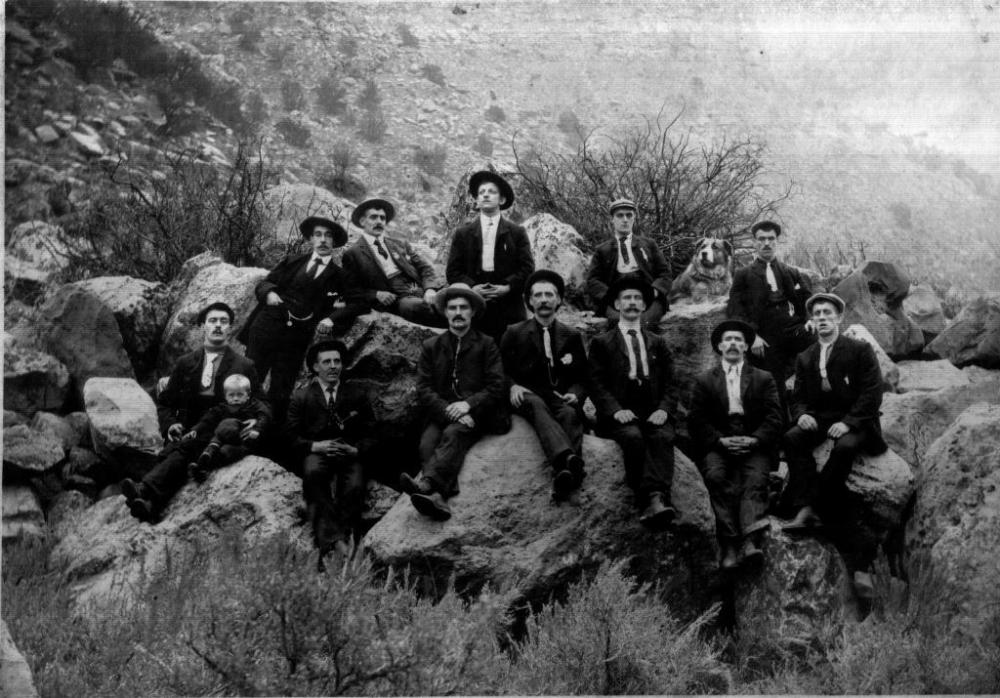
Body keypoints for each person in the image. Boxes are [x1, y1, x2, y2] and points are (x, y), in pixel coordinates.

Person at [780, 293, 887, 597]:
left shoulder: (859, 349)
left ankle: (810, 505)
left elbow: (872, 392)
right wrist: (801, 416)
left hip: (859, 420)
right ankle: (814, 509)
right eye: (817, 314)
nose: (823, 318)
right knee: (791, 438)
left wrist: (850, 422)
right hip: (822, 417)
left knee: (843, 447)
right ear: (812, 321)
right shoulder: (806, 356)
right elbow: (798, 396)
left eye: (828, 313)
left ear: (839, 318)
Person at [121, 302, 261, 522]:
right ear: (202, 326)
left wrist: (256, 423)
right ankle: (149, 505)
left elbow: (262, 403)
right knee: (181, 450)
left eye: (223, 322)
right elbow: (165, 403)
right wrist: (170, 425)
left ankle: (144, 490)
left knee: (183, 449)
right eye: (212, 321)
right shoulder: (185, 363)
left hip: (221, 433)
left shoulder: (244, 366)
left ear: (231, 328)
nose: (217, 326)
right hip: (189, 430)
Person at [399, 283, 509, 520]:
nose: (458, 313)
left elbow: (497, 387)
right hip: (444, 412)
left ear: (473, 312)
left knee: (453, 434)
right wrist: (449, 410)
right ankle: (439, 500)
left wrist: (468, 406)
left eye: (463, 307)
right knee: (427, 444)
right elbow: (424, 388)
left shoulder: (487, 344)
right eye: (452, 308)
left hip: (480, 413)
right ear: (445, 312)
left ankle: (428, 485)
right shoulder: (432, 346)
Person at [239, 216, 362, 422]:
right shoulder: (292, 261)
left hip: (296, 338)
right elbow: (265, 283)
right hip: (266, 326)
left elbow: (358, 302)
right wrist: (269, 293)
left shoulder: (340, 276)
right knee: (250, 378)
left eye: (328, 236)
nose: (323, 240)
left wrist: (332, 319)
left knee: (281, 389)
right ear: (311, 239)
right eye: (318, 235)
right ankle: (238, 423)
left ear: (335, 242)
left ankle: (267, 433)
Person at [688, 319, 783, 570]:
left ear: (746, 347)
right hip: (720, 440)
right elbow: (696, 420)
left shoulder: (763, 378)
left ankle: (751, 540)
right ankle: (729, 543)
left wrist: (755, 440)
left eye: (738, 340)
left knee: (755, 478)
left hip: (754, 439)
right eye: (728, 340)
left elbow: (775, 417)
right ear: (719, 346)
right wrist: (720, 441)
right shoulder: (705, 380)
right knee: (716, 476)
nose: (733, 344)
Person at [588, 275, 678, 528]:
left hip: (652, 410)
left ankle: (658, 498)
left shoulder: (658, 343)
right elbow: (596, 384)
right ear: (616, 305)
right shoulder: (601, 343)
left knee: (662, 437)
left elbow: (672, 383)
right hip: (620, 413)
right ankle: (651, 498)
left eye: (637, 299)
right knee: (633, 438)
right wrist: (615, 411)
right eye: (626, 298)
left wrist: (663, 410)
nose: (632, 303)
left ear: (643, 306)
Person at [500, 269, 589, 501]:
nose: (544, 300)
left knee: (570, 414)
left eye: (549, 294)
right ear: (529, 301)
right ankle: (565, 459)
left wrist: (574, 394)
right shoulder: (514, 332)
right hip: (526, 396)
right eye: (537, 295)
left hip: (557, 396)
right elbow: (499, 370)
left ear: (559, 299)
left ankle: (566, 474)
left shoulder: (571, 335)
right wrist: (512, 386)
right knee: (536, 404)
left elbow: (583, 377)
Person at [286, 340, 376, 570]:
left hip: (349, 453)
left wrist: (356, 450)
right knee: (313, 475)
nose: (333, 366)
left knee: (356, 485)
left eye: (337, 361)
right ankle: (333, 543)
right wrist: (315, 447)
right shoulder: (301, 397)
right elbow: (289, 437)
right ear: (316, 367)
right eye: (327, 362)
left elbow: (373, 432)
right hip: (317, 452)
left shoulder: (356, 394)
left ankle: (346, 539)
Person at [726, 220, 815, 417]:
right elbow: (734, 309)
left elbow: (807, 297)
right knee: (774, 384)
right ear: (755, 243)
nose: (766, 243)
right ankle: (782, 426)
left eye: (771, 239)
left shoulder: (789, 271)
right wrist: (751, 335)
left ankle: (816, 410)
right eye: (762, 239)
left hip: (793, 329)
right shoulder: (743, 274)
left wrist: (809, 318)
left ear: (777, 242)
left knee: (818, 345)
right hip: (765, 337)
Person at [446, 170, 534, 341]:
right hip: (475, 306)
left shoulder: (517, 232)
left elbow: (527, 269)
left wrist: (507, 288)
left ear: (502, 200)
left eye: (492, 192)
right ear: (477, 201)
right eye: (481, 192)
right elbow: (453, 272)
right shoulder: (462, 234)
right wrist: (472, 288)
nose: (486, 195)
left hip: (509, 305)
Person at [341, 197, 445, 327]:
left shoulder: (399, 243)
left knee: (455, 294)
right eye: (373, 217)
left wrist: (430, 289)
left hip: (419, 287)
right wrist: (376, 294)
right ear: (362, 221)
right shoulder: (353, 253)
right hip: (397, 299)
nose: (379, 221)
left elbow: (424, 267)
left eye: (382, 218)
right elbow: (351, 291)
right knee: (415, 306)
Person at [584, 198, 672, 329]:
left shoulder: (649, 244)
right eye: (620, 215)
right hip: (617, 300)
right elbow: (593, 280)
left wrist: (654, 291)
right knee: (619, 323)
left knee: (644, 322)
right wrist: (610, 296)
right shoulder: (603, 250)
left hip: (648, 299)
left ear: (634, 218)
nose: (625, 219)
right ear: (612, 219)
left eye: (629, 215)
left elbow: (665, 273)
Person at [186, 373, 272, 482]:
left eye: (240, 395)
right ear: (225, 396)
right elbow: (208, 418)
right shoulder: (222, 408)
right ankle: (204, 462)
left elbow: (265, 416)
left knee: (227, 444)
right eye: (231, 395)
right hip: (223, 440)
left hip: (244, 441)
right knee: (222, 443)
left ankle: (205, 461)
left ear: (248, 394)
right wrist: (196, 429)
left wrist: (257, 429)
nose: (235, 398)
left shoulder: (254, 405)